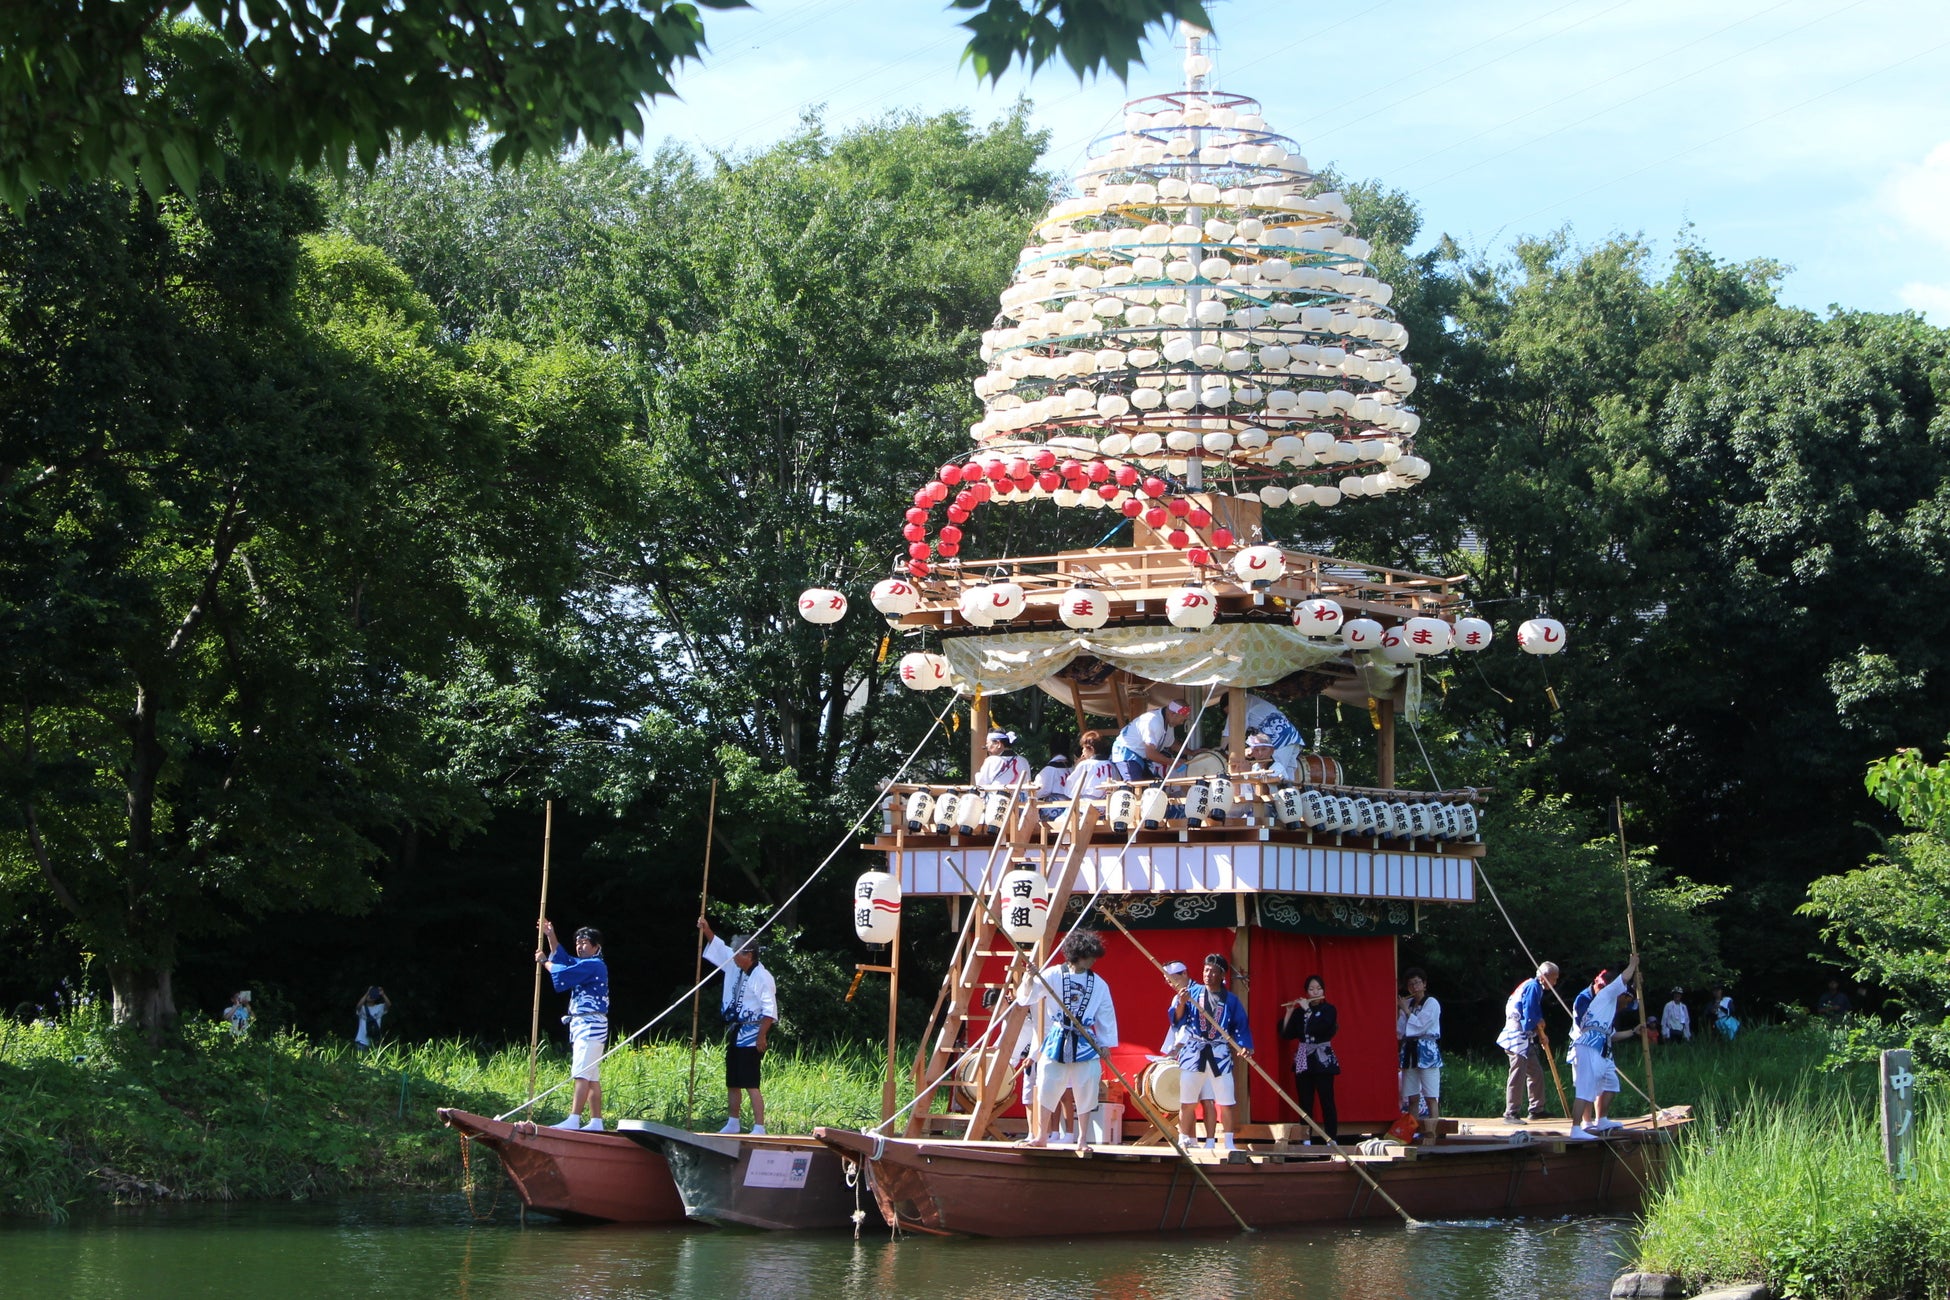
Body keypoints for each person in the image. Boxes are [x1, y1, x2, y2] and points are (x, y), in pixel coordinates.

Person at [1017, 929, 1118, 1151]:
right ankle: (1041, 1135)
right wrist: (1030, 977)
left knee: (1086, 1087)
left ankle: (1082, 1139)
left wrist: (1105, 1044)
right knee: (1046, 1083)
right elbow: (1026, 998)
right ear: (1077, 954)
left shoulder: (1099, 984)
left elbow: (1105, 1014)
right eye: (1089, 956)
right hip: (1058, 1038)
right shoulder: (1052, 974)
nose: (1092, 961)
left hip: (1084, 1040)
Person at [699, 917, 778, 1135]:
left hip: (752, 1032)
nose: (733, 956)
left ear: (749, 955)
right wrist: (707, 929)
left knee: (750, 1080)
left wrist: (762, 1036)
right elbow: (720, 948)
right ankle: (733, 1121)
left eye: (738, 952)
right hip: (736, 1029)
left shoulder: (762, 976)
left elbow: (769, 1010)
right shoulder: (735, 966)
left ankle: (759, 1125)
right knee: (733, 1079)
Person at [1171, 952, 1253, 1152]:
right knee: (1187, 1099)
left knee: (1226, 1100)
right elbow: (1176, 1019)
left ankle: (1227, 1141)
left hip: (1219, 1052)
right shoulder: (1192, 992)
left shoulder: (1231, 1000)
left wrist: (1245, 1045)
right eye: (1206, 970)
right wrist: (1181, 1003)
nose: (1208, 974)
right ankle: (1183, 1138)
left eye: (1213, 971)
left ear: (1221, 975)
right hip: (1194, 1051)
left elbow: (1240, 1026)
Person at [539, 921, 610, 1131]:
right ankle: (596, 1121)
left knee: (581, 1072)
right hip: (585, 1024)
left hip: (590, 1024)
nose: (580, 947)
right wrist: (551, 935)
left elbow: (561, 973)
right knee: (591, 1076)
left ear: (596, 946)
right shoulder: (584, 965)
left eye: (585, 943)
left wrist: (544, 962)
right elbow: (564, 961)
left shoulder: (594, 964)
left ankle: (574, 1118)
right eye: (578, 943)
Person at [1568, 956, 1638, 1136]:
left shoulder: (1608, 1008)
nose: (1626, 1003)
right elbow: (1623, 979)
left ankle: (1602, 1120)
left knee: (1611, 1082)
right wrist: (1632, 964)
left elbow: (1612, 1035)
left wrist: (1634, 1031)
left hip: (1602, 1047)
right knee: (1586, 1086)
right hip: (1589, 1044)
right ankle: (1577, 1127)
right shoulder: (1606, 994)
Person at [1495, 962, 1558, 1123]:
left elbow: (1533, 1013)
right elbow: (1529, 1013)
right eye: (1554, 978)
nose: (1555, 983)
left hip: (1525, 1038)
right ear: (1545, 977)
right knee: (1518, 1073)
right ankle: (1511, 1113)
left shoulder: (1533, 987)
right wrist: (1539, 1030)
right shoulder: (1533, 986)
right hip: (1517, 1037)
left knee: (1535, 1072)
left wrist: (1538, 1027)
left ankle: (1537, 1109)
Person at [1279, 974, 1340, 1142]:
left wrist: (1307, 1009)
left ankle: (1331, 1137)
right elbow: (1286, 1034)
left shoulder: (1329, 1010)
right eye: (1311, 989)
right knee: (1304, 1099)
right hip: (1303, 1054)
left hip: (1322, 1055)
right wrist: (1289, 1013)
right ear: (1306, 992)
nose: (1315, 992)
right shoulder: (1299, 1012)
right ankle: (1306, 1137)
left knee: (1326, 1098)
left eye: (1318, 989)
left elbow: (1321, 1027)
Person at [1397, 968, 1442, 1131]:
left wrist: (1406, 1011)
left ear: (1424, 984)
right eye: (1410, 984)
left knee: (1431, 1095)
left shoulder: (1432, 1003)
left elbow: (1421, 1025)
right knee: (1412, 1096)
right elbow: (1400, 1030)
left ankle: (1433, 1133)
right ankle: (1411, 1133)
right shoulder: (1407, 1003)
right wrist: (1400, 1010)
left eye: (1417, 983)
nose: (1414, 987)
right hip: (1409, 1051)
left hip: (1427, 1051)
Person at [1222, 692, 1305, 777]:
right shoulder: (1255, 702)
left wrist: (1220, 752)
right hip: (1293, 736)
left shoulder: (1237, 704)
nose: (1229, 716)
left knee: (1273, 773)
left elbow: (1228, 735)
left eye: (1228, 713)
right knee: (1287, 777)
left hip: (1280, 741)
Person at [1110, 699, 1192, 780]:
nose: (1181, 723)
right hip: (1126, 753)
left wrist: (1192, 752)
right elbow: (1151, 753)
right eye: (1182, 719)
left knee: (1155, 786)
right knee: (1136, 786)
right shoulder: (1153, 721)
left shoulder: (1167, 722)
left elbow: (1172, 744)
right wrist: (1173, 762)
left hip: (1140, 756)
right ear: (1172, 714)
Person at [1065, 731, 1121, 802]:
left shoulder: (1085, 764)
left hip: (1087, 804)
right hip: (1109, 803)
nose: (1083, 751)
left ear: (1091, 749)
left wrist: (1076, 766)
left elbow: (1071, 786)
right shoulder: (1111, 765)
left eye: (1084, 748)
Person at [1033, 751, 1071, 820]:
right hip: (1070, 807)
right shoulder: (1072, 768)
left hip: (1055, 807)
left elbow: (1041, 790)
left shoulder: (1049, 769)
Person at [354, 986, 391, 1050]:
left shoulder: (380, 1007)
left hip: (374, 1042)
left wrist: (383, 994)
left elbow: (389, 1004)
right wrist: (367, 993)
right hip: (361, 1041)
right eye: (369, 995)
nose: (370, 996)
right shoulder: (362, 1008)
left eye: (373, 994)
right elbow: (358, 1006)